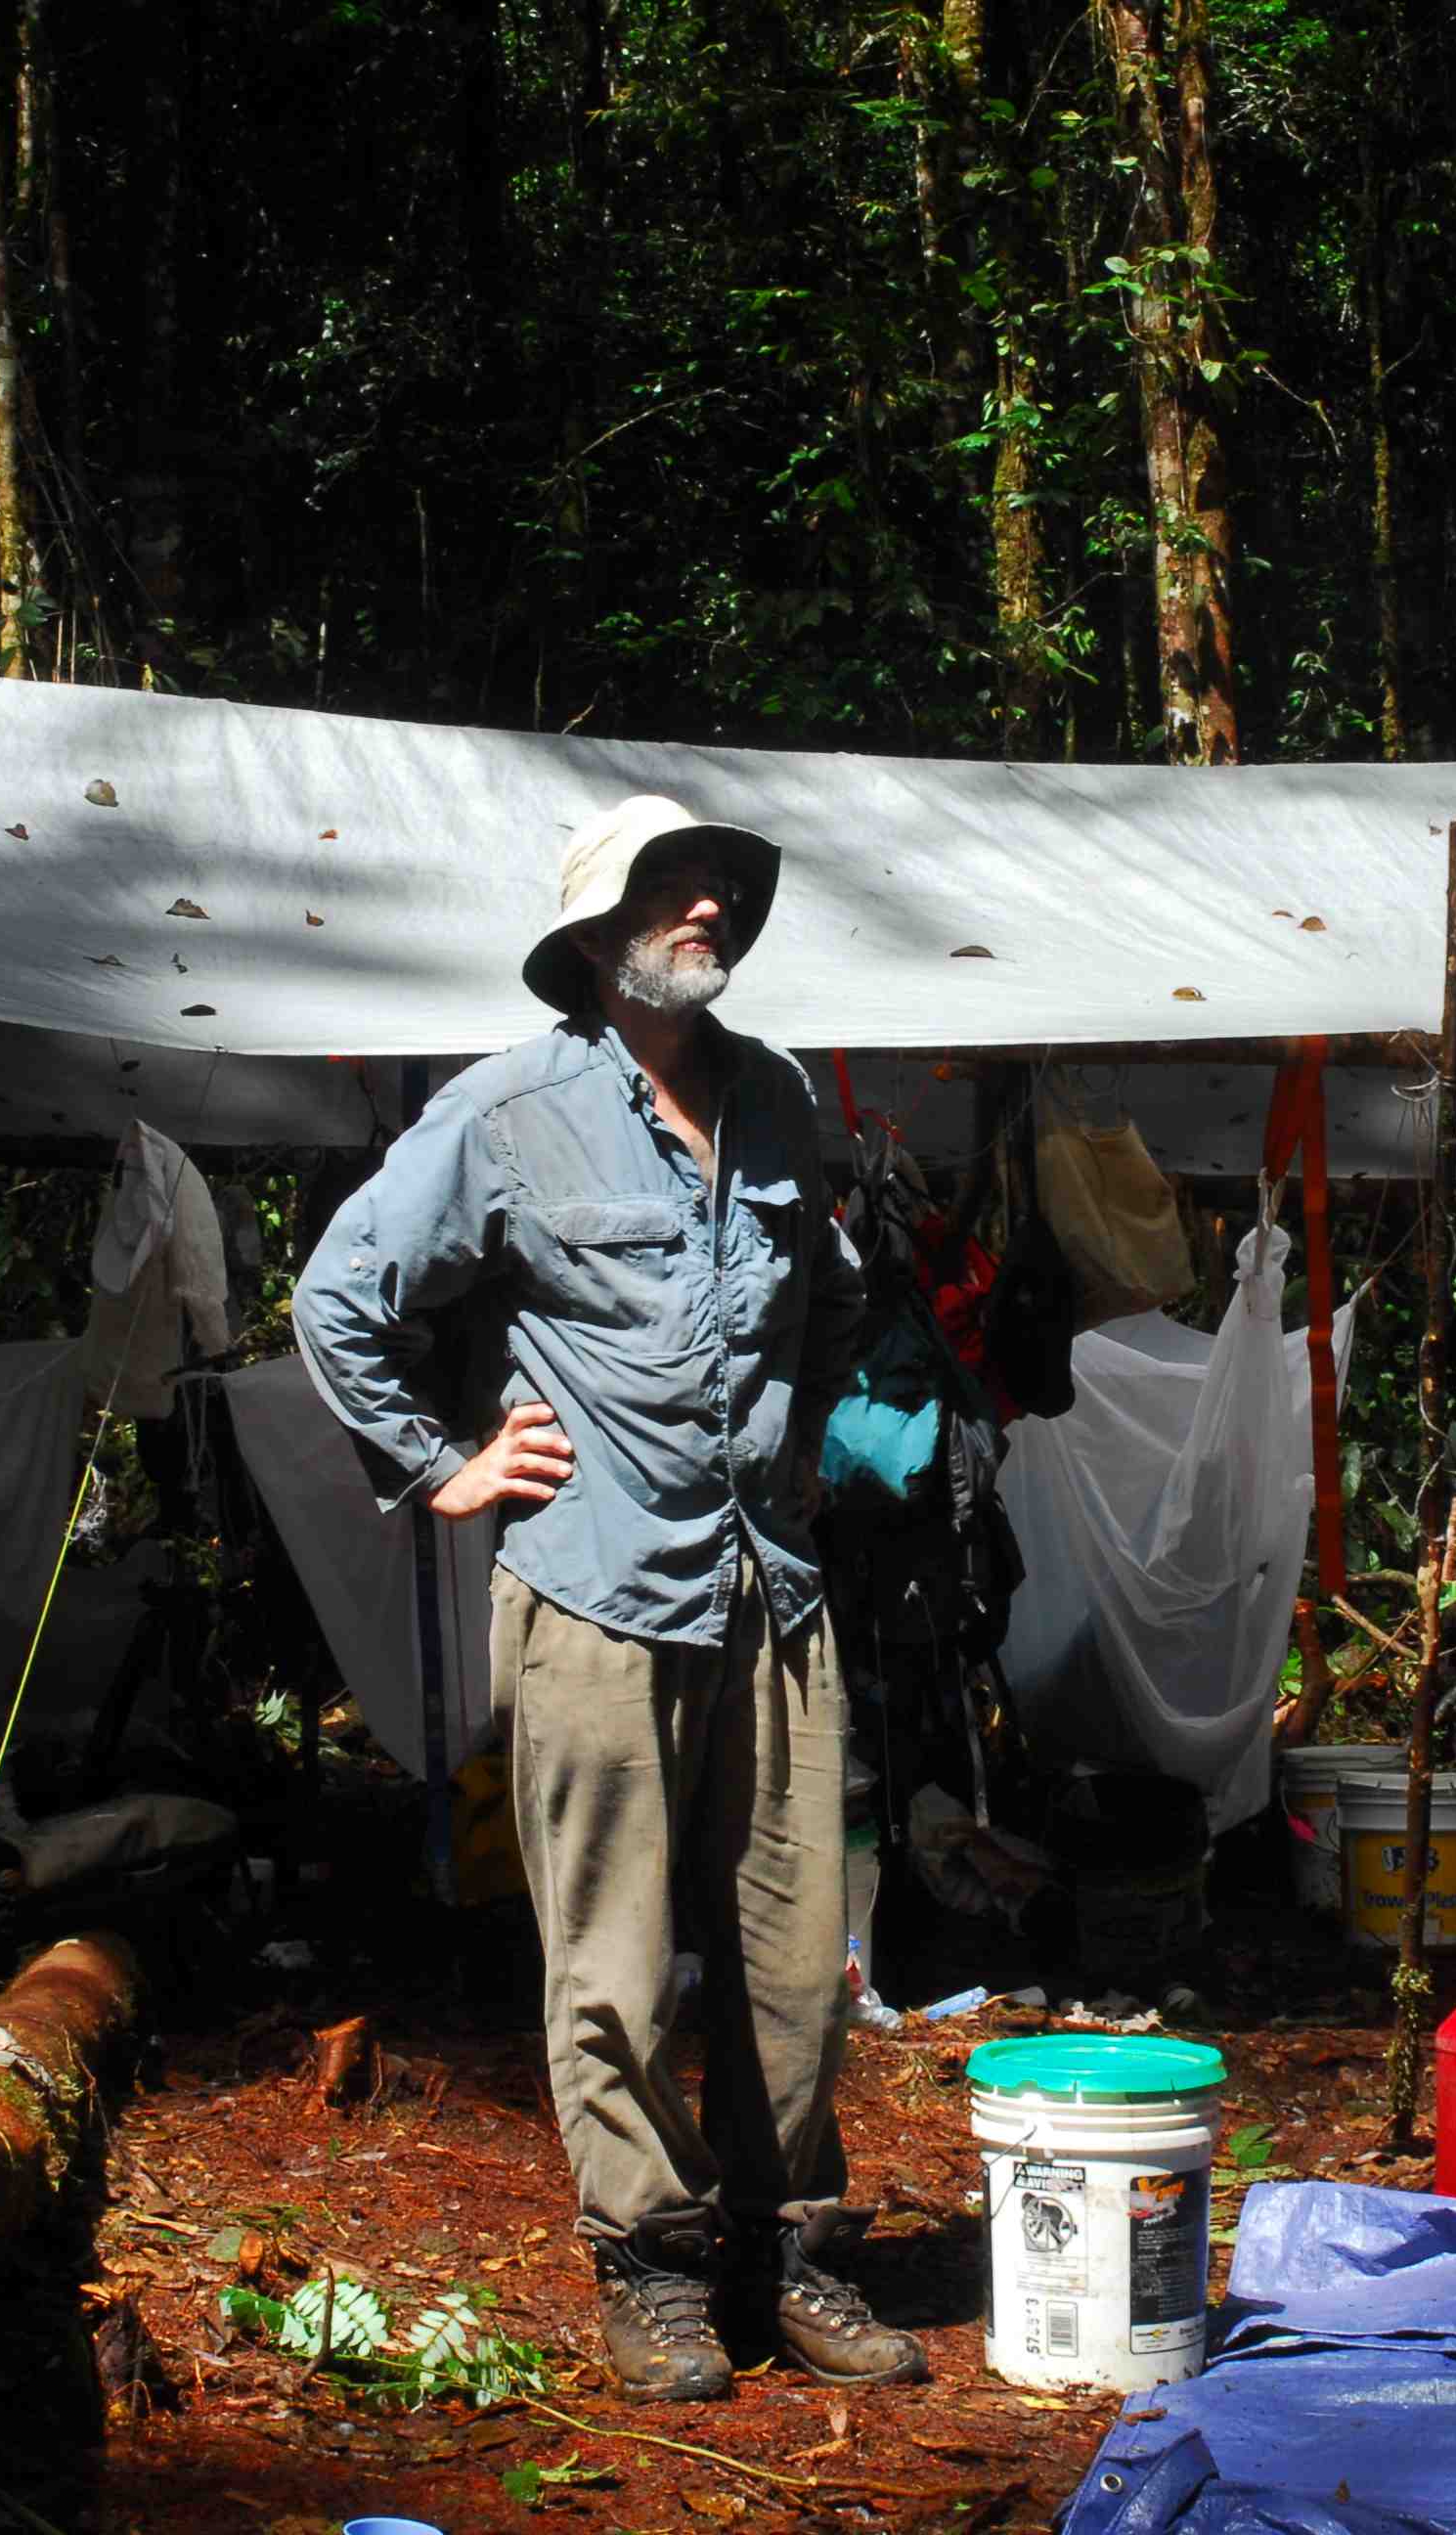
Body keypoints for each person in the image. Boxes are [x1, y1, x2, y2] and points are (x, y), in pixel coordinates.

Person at [290, 794, 921, 2402]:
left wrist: (797, 1444)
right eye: (670, 885)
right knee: (617, 1964)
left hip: (770, 1590)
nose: (706, 907)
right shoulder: (506, 1112)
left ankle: (793, 2254)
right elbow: (342, 1296)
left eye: (721, 887)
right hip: (596, 1588)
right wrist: (442, 1465)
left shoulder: (776, 1098)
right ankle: (651, 2267)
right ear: (593, 934)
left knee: (795, 1957)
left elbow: (833, 1299)